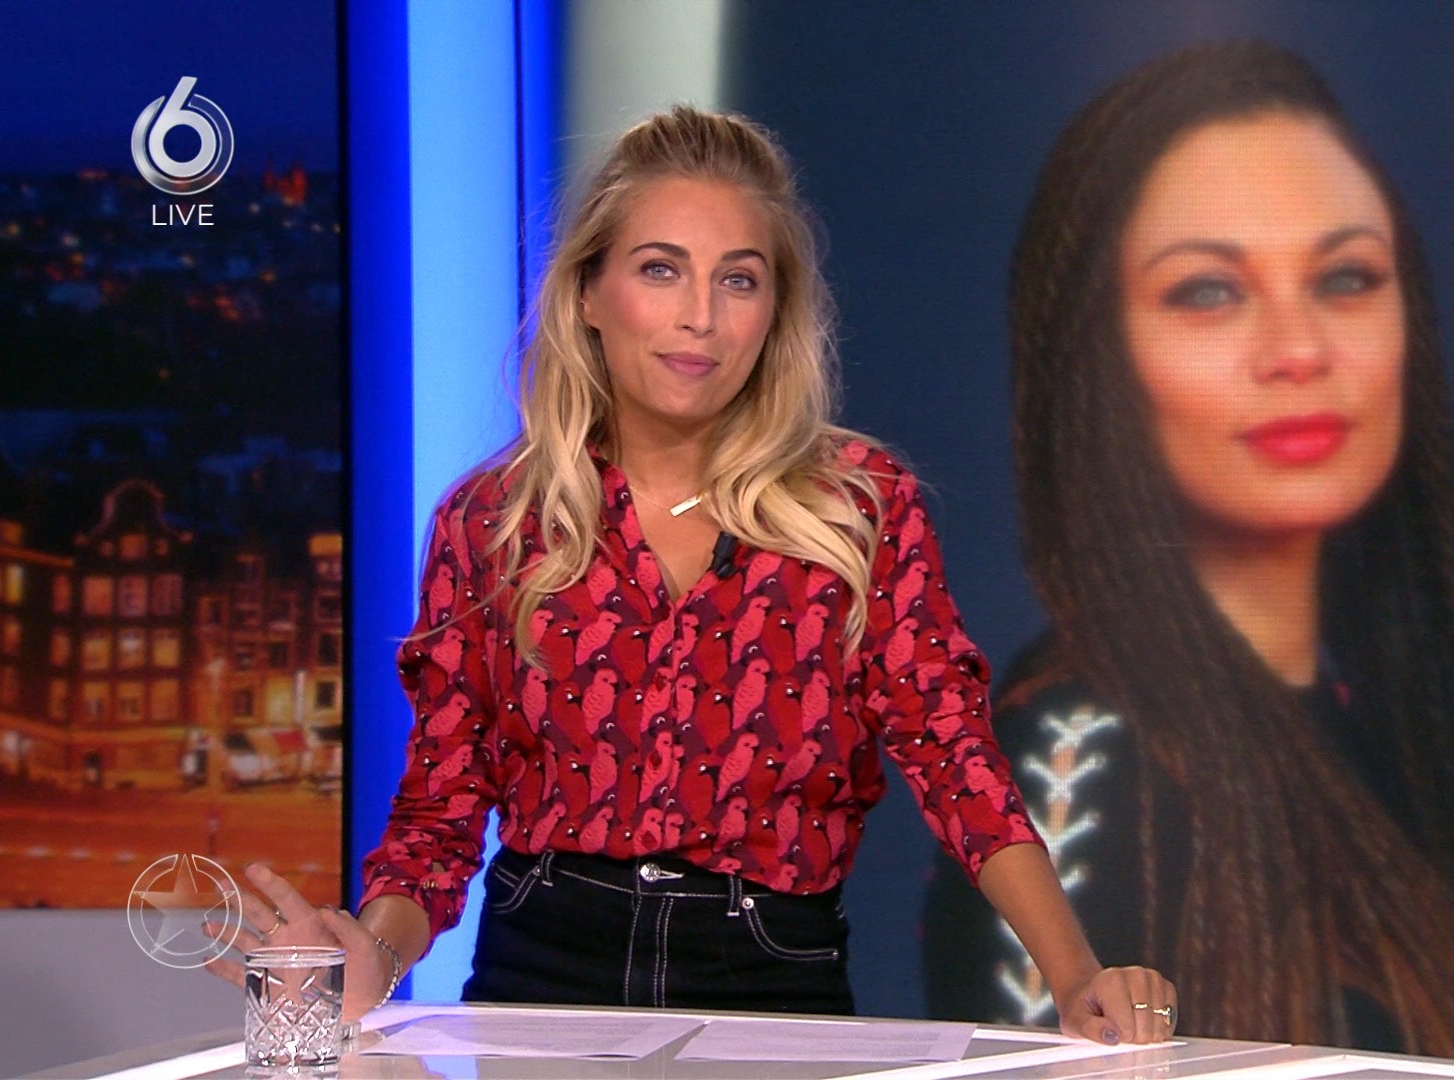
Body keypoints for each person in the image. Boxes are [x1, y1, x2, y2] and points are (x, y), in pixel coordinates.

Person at [201, 105, 1175, 1044]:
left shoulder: (857, 507)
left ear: (775, 311)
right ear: (589, 294)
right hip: (544, 974)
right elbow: (441, 810)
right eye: (660, 270)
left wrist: (1073, 976)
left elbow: (954, 758)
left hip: (772, 979)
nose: (700, 317)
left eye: (738, 280)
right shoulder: (493, 521)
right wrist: (373, 955)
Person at [921, 41, 1454, 1070]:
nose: (1299, 350)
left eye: (1345, 278)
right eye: (1208, 292)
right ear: (1096, 354)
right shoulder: (1076, 762)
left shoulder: (1417, 745)